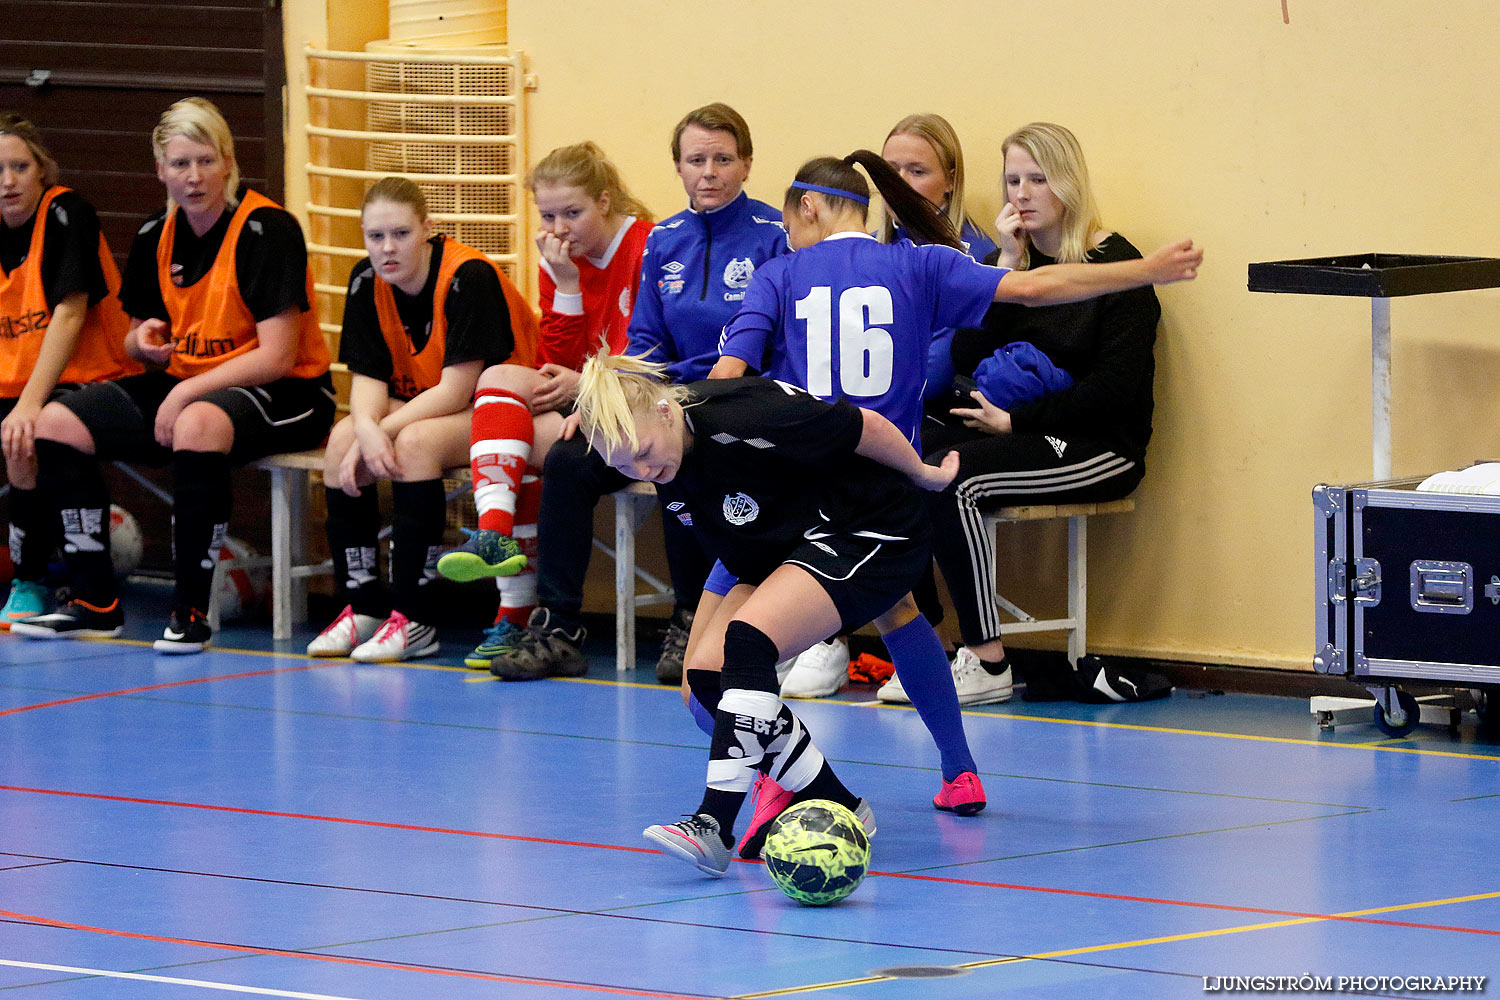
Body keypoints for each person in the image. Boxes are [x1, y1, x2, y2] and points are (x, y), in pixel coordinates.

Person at [696, 151, 1199, 840]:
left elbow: (727, 376)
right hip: (886, 489)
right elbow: (1035, 289)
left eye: (790, 221)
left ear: (807, 208)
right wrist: (1146, 271)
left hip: (800, 493)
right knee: (896, 608)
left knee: (711, 672)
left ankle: (778, 781)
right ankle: (955, 768)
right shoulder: (918, 264)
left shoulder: (780, 275)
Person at [470, 104, 789, 684]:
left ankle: (691, 618)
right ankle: (559, 625)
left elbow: (774, 342)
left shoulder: (774, 236)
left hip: (735, 400)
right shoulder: (664, 239)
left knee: (672, 454)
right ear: (678, 167)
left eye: (722, 159)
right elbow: (641, 340)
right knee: (569, 458)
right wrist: (602, 402)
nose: (709, 172)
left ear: (746, 164)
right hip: (659, 398)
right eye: (696, 160)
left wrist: (681, 389)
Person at [11, 97, 334, 651]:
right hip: (191, 387)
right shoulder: (152, 236)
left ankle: (189, 613)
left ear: (229, 163)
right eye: (180, 164)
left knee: (197, 424)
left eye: (206, 161)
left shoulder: (267, 228)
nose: (194, 177)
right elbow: (139, 336)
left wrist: (183, 390)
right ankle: (94, 600)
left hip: (288, 392)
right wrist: (143, 344)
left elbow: (277, 356)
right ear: (160, 169)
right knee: (56, 423)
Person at [879, 122, 1167, 707]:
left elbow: (1116, 391)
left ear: (1068, 182)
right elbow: (963, 354)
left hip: (1098, 447)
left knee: (955, 481)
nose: (1022, 193)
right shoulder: (1019, 264)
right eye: (1013, 180)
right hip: (1014, 429)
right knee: (898, 460)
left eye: (1038, 179)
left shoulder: (1117, 268)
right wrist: (1003, 265)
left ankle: (986, 662)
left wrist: (1020, 424)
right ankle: (925, 643)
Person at [777, 113, 997, 698]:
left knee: (891, 458)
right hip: (871, 415)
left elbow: (943, 359)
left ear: (949, 180)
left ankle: (918, 640)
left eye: (917, 170)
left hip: (943, 411)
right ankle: (826, 633)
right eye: (891, 168)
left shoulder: (965, 250)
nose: (899, 180)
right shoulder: (869, 251)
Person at [434, 142, 654, 673]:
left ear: (604, 201)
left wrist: (580, 381)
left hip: (635, 406)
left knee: (513, 435)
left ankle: (515, 608)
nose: (560, 228)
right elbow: (555, 363)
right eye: (549, 215)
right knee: (502, 384)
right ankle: (496, 539)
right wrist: (568, 286)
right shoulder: (559, 258)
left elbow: (644, 353)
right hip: (582, 402)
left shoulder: (647, 244)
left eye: (572, 213)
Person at [304, 177, 537, 662]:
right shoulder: (366, 281)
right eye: (375, 237)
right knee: (342, 437)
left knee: (413, 444)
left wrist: (380, 431)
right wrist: (365, 429)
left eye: (401, 234)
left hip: (502, 406)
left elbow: (456, 389)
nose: (387, 248)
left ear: (427, 228)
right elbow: (368, 382)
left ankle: (416, 617)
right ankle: (363, 606)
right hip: (428, 407)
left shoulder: (468, 276)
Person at [0, 113, 137, 626]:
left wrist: (29, 404)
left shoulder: (66, 213)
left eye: (18, 167)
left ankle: (35, 580)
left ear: (41, 171)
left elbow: (71, 311)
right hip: (16, 380)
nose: (7, 181)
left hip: (90, 376)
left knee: (28, 431)